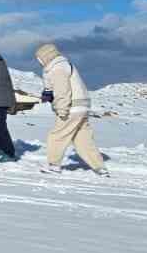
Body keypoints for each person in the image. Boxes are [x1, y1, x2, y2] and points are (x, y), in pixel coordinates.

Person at [34, 43, 108, 176]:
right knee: (83, 139)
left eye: (40, 58)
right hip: (82, 107)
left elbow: (63, 90)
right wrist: (48, 93)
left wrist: (62, 109)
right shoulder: (64, 65)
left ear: (45, 56)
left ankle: (53, 165)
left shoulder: (57, 68)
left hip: (71, 107)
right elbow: (55, 88)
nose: (40, 62)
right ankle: (99, 167)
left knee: (57, 136)